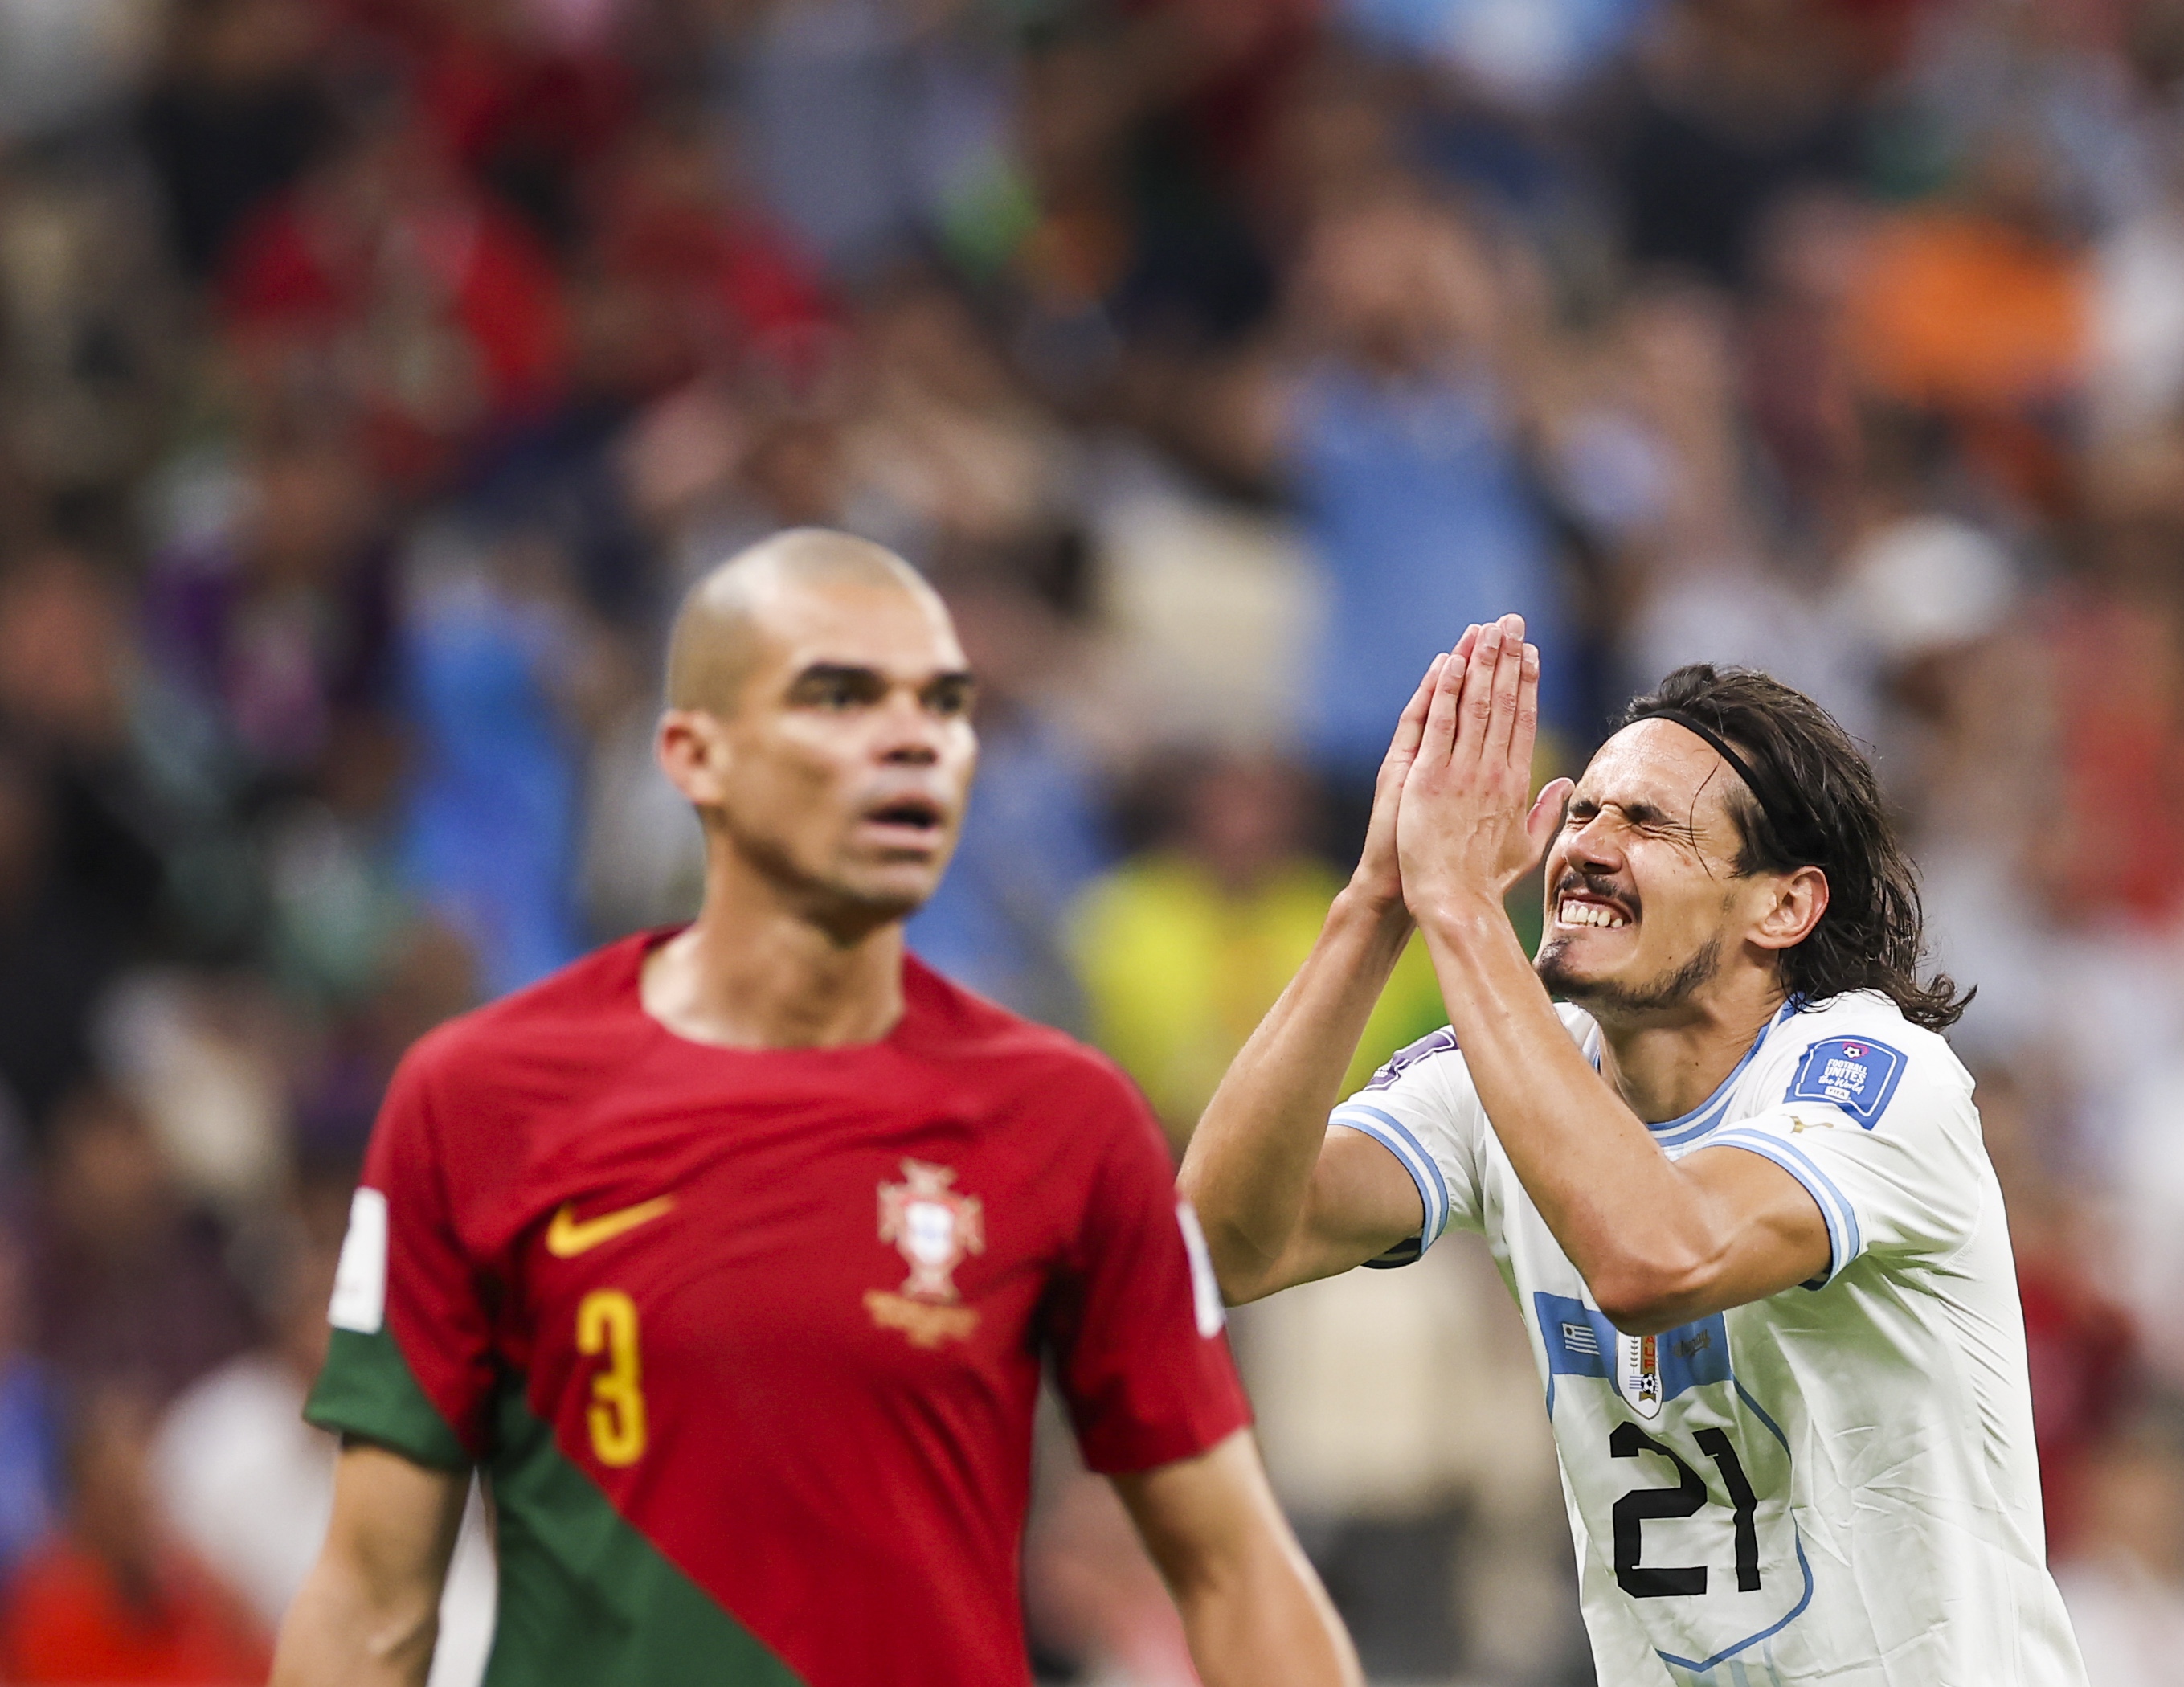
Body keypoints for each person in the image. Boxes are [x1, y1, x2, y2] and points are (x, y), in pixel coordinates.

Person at [271, 530, 1359, 1687]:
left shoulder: (1065, 1118)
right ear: (696, 755)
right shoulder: (479, 1101)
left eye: (942, 705)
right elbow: (374, 1597)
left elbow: (1231, 1565)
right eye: (838, 697)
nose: (911, 741)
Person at [1181, 617, 2085, 1684]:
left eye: (1649, 824)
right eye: (1588, 809)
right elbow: (1218, 1246)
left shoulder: (1876, 1076)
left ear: (1783, 904)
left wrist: (1466, 913)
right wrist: (1377, 902)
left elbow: (1657, 1259)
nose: (1587, 845)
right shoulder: (1513, 1074)